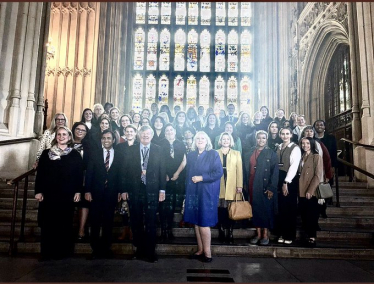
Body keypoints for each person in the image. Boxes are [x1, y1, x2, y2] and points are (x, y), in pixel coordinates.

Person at [35, 126, 83, 260]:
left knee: (65, 223)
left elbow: (79, 175)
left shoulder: (74, 154)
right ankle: (47, 252)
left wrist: (78, 191)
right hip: (49, 194)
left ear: (69, 137)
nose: (61, 137)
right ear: (56, 137)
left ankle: (62, 252)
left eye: (64, 135)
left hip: (67, 194)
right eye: (59, 134)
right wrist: (38, 191)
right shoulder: (46, 153)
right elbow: (41, 174)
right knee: (48, 223)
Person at [121, 125, 166, 263]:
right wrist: (123, 190)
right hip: (135, 190)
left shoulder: (159, 150)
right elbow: (124, 171)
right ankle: (139, 250)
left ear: (152, 136)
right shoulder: (130, 150)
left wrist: (162, 190)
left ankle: (150, 252)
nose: (145, 136)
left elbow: (162, 171)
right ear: (138, 135)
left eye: (148, 134)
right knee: (136, 221)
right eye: (143, 134)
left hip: (152, 190)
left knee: (151, 221)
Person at [184, 131, 223, 263]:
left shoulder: (213, 154)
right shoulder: (191, 155)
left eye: (202, 138)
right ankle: (200, 250)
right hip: (193, 191)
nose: (200, 140)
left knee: (204, 222)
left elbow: (218, 172)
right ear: (194, 141)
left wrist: (202, 178)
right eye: (197, 139)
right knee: (196, 221)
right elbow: (188, 174)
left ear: (207, 141)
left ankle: (208, 253)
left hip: (207, 192)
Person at [85, 130, 123, 259]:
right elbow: (89, 173)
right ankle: (95, 249)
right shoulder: (94, 154)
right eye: (104, 138)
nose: (106, 140)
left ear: (113, 140)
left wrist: (119, 191)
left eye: (108, 138)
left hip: (111, 192)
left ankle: (106, 248)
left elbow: (120, 175)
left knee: (108, 221)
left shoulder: (119, 154)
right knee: (95, 220)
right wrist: (87, 190)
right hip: (96, 192)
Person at [248, 131, 279, 246]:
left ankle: (265, 234)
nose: (261, 140)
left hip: (265, 185)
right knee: (255, 209)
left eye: (263, 138)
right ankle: (258, 234)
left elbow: (275, 172)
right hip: (252, 183)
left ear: (267, 139)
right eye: (259, 138)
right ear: (255, 139)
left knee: (265, 209)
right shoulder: (250, 152)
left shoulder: (271, 153)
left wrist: (271, 187)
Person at [159, 124, 187, 242]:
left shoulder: (180, 143)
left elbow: (184, 160)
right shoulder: (160, 143)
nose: (169, 132)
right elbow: (158, 160)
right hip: (164, 178)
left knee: (173, 204)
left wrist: (177, 173)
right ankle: (164, 229)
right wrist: (163, 174)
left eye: (171, 130)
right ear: (165, 133)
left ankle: (169, 230)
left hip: (178, 177)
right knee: (164, 205)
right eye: (167, 130)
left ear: (175, 131)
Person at [276, 127, 301, 245]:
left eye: (287, 134)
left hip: (289, 179)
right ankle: (281, 233)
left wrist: (286, 182)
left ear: (291, 135)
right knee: (281, 208)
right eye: (283, 134)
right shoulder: (279, 147)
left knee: (289, 208)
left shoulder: (295, 148)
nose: (285, 136)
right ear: (280, 135)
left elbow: (294, 166)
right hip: (278, 178)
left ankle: (289, 235)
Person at [216, 132, 243, 244]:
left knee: (231, 209)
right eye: (224, 139)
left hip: (232, 185)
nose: (226, 141)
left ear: (230, 141)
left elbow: (239, 170)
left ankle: (230, 231)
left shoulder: (236, 153)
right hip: (219, 184)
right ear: (220, 141)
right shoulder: (215, 153)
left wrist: (240, 185)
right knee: (221, 209)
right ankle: (222, 230)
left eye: (228, 139)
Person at [298, 137, 323, 247]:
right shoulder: (301, 156)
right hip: (301, 190)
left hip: (310, 191)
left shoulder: (316, 157)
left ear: (312, 144)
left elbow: (318, 175)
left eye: (307, 143)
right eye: (303, 143)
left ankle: (312, 237)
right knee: (304, 215)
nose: (305, 145)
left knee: (311, 215)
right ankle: (306, 236)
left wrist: (311, 190)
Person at [116, 124, 138, 241]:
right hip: (123, 181)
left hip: (137, 184)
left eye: (131, 131)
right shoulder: (120, 147)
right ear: (124, 132)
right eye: (127, 131)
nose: (129, 133)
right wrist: (122, 189)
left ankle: (134, 232)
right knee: (124, 209)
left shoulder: (139, 146)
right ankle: (126, 231)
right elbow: (118, 168)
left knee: (135, 209)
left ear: (135, 133)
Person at [313, 119, 338, 218]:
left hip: (327, 167)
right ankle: (317, 210)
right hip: (315, 167)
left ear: (324, 127)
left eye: (321, 124)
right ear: (314, 127)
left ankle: (323, 209)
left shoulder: (331, 138)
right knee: (315, 189)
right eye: (317, 125)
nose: (319, 126)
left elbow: (334, 153)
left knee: (326, 188)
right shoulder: (313, 139)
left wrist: (333, 167)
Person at [71, 122, 91, 241]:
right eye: (77, 129)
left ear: (86, 133)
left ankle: (81, 230)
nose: (80, 131)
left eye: (83, 130)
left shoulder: (89, 146)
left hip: (83, 177)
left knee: (83, 203)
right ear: (73, 130)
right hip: (68, 178)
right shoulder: (67, 143)